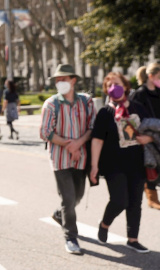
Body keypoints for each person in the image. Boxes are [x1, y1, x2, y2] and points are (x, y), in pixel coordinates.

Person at [90, 72, 151, 253]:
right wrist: (94, 166)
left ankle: (133, 239)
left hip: (137, 163)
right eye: (109, 85)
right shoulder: (105, 112)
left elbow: (152, 130)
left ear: (125, 86)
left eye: (116, 83)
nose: (112, 87)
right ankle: (104, 223)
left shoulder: (138, 108)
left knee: (135, 202)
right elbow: (97, 140)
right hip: (113, 164)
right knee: (119, 200)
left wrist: (147, 139)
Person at [40, 64, 96, 255]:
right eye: (57, 79)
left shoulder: (87, 102)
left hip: (81, 158)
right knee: (69, 198)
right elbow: (45, 132)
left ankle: (59, 214)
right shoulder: (51, 104)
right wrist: (68, 145)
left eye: (63, 79)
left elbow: (92, 127)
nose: (59, 82)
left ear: (73, 80)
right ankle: (71, 237)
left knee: (77, 197)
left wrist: (78, 144)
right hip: (60, 159)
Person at [131, 63, 160, 210]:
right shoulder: (139, 94)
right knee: (151, 165)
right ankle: (151, 197)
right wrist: (150, 137)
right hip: (147, 137)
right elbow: (135, 120)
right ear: (151, 76)